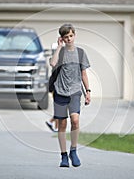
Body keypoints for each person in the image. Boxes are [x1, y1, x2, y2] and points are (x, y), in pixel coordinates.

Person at [49, 23, 91, 167]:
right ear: (62, 38)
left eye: (71, 36)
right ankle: (64, 156)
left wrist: (88, 91)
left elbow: (84, 73)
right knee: (62, 124)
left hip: (75, 92)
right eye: (66, 37)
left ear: (75, 35)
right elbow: (53, 63)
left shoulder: (81, 53)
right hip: (60, 92)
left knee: (75, 120)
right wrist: (59, 47)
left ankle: (73, 150)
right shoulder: (59, 53)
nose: (69, 39)